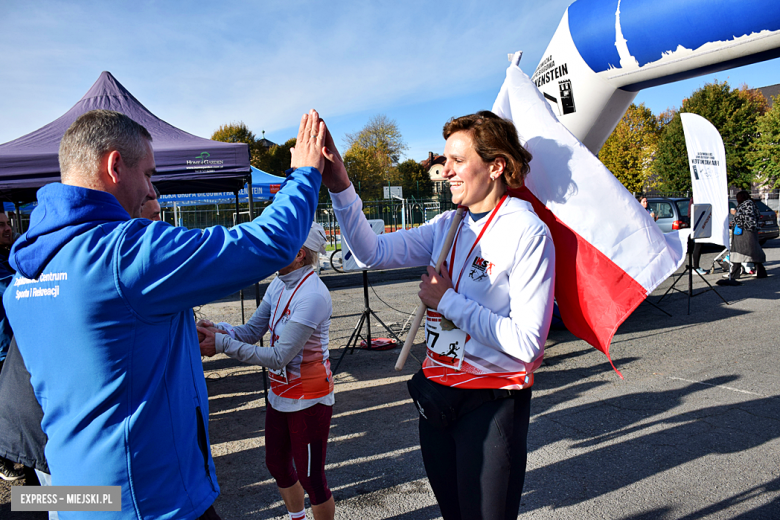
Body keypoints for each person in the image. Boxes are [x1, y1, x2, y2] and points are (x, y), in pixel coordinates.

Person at [3, 108, 332, 519]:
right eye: (148, 174)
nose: (150, 189)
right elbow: (268, 243)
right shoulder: (123, 252)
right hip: (148, 500)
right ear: (115, 165)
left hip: (72, 493)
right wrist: (303, 174)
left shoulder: (25, 271)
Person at [324, 111, 555, 519]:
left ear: (496, 166)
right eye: (445, 160)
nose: (444, 171)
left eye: (457, 160)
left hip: (491, 403)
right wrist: (341, 186)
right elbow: (370, 253)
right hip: (437, 399)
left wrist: (446, 300)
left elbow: (528, 344)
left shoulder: (527, 231)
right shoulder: (448, 222)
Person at [198, 222, 335, 520]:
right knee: (276, 464)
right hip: (280, 395)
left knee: (313, 479)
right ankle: (296, 517)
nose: (272, 249)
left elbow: (278, 357)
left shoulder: (312, 294)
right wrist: (218, 328)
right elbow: (250, 332)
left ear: (299, 254)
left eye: (281, 244)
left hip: (310, 397)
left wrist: (221, 344)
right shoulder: (279, 283)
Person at [0, 212, 26, 482]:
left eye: (8, 224)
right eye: (1, 225)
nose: (8, 230)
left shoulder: (12, 259)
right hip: (3, 347)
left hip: (15, 345)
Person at [730, 190, 767, 279]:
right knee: (752, 252)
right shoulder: (750, 204)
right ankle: (761, 272)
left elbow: (749, 219)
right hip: (747, 233)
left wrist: (736, 214)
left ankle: (735, 274)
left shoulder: (747, 204)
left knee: (741, 252)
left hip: (745, 234)